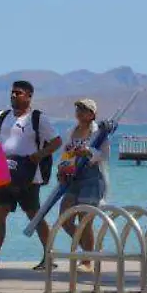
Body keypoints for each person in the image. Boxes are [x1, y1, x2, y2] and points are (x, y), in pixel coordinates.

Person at [0, 80, 62, 271]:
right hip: (3, 172)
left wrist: (38, 155)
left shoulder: (37, 118)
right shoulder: (3, 116)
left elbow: (56, 142)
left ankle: (49, 256)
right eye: (12, 93)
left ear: (29, 96)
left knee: (35, 216)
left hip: (27, 175)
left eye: (18, 93)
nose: (13, 96)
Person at [55, 99, 112, 268]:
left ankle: (87, 259)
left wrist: (88, 152)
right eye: (78, 108)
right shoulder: (71, 132)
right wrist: (61, 169)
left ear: (92, 114)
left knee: (85, 221)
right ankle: (89, 250)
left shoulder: (99, 133)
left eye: (84, 109)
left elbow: (104, 155)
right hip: (73, 178)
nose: (79, 111)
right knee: (65, 219)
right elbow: (65, 153)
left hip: (92, 178)